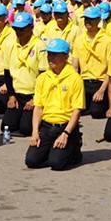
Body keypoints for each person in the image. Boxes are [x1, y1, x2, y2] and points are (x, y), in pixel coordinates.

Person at [25, 38, 86, 171]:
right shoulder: (42, 78)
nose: (50, 58)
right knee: (31, 161)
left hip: (65, 126)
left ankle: (74, 148)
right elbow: (38, 107)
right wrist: (35, 132)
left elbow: (77, 110)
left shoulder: (75, 79)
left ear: (65, 56)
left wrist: (66, 133)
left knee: (56, 164)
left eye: (55, 55)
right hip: (47, 127)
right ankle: (53, 150)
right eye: (49, 54)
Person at [2, 12, 44, 141]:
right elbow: (7, 72)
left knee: (26, 128)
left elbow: (44, 76)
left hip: (33, 94)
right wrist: (11, 96)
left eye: (22, 28)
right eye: (16, 28)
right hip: (17, 92)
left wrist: (35, 99)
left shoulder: (39, 45)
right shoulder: (10, 43)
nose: (18, 32)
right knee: (6, 126)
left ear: (31, 27)